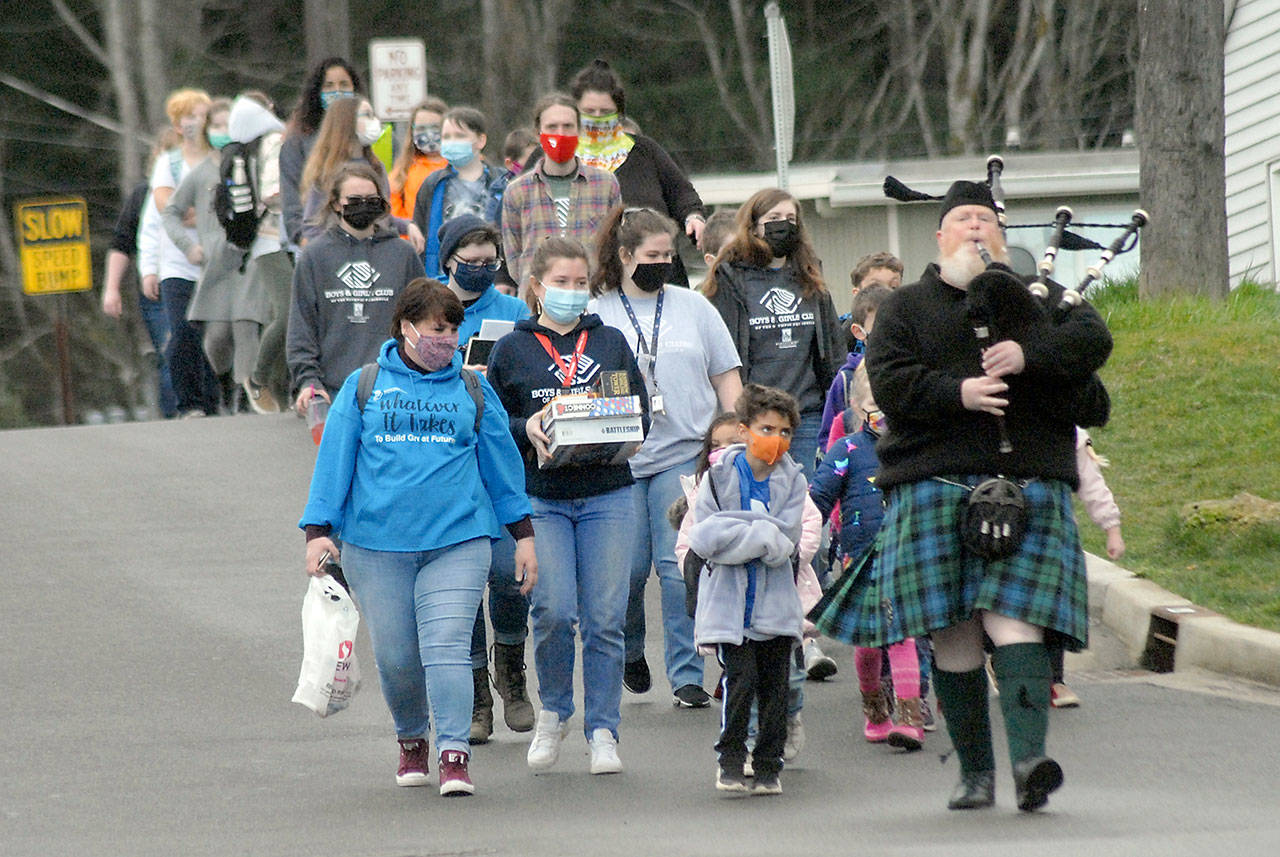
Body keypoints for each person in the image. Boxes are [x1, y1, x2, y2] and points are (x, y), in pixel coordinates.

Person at [844, 178, 1112, 812]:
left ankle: (1027, 763)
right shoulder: (907, 307)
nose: (975, 226)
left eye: (986, 218)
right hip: (935, 485)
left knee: (1016, 622)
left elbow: (1093, 363)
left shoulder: (1044, 303)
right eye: (962, 218)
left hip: (1028, 485)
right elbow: (889, 380)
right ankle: (975, 776)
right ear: (938, 235)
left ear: (1002, 233)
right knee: (955, 633)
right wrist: (956, 393)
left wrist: (1032, 353)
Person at [300, 278, 538, 797]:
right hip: (376, 546)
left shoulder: (474, 389)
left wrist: (522, 535)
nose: (448, 340)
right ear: (406, 328)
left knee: (447, 647)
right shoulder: (364, 387)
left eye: (454, 331)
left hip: (458, 541)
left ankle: (455, 753)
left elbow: (502, 467)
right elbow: (333, 463)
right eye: (437, 330)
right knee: (398, 658)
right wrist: (318, 532)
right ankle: (412, 738)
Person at [485, 236, 649, 775]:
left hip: (607, 492)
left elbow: (635, 410)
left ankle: (603, 728)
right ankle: (555, 711)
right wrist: (524, 426)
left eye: (581, 284)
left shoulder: (611, 342)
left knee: (605, 617)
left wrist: (619, 426)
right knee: (554, 611)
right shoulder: (512, 348)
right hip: (542, 498)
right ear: (536, 287)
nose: (572, 293)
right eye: (561, 282)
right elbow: (491, 423)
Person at [586, 206, 742, 707]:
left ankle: (686, 671)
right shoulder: (598, 309)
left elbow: (725, 373)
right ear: (626, 255)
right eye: (653, 255)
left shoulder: (693, 307)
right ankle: (631, 647)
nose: (664, 263)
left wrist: (734, 428)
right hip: (618, 457)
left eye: (670, 255)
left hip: (682, 451)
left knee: (678, 567)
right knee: (627, 570)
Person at [429, 214, 534, 743]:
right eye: (468, 262)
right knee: (462, 582)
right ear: (447, 260)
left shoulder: (514, 311)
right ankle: (475, 694)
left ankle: (511, 668)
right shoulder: (428, 308)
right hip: (447, 462)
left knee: (510, 572)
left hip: (502, 451)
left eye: (488, 261)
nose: (479, 270)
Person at [688, 384, 807, 796]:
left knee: (776, 688)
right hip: (729, 606)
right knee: (740, 684)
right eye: (767, 428)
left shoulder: (793, 480)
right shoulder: (718, 477)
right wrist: (760, 533)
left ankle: (769, 764)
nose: (777, 440)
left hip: (776, 606)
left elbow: (785, 542)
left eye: (786, 432)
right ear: (744, 430)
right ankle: (731, 761)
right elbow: (704, 536)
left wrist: (737, 533)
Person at [809, 364, 927, 751]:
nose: (885, 413)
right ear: (858, 407)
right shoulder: (847, 450)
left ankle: (911, 717)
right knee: (868, 644)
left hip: (905, 555)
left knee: (901, 632)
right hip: (858, 560)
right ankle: (876, 709)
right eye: (876, 404)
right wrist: (803, 540)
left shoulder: (916, 448)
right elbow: (820, 498)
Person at [702, 189, 843, 480]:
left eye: (791, 218)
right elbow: (722, 355)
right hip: (756, 418)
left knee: (804, 508)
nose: (784, 224)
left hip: (806, 416)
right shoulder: (730, 277)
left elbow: (833, 348)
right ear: (752, 225)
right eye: (774, 217)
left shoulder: (809, 275)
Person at [287, 163, 427, 416]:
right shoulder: (314, 256)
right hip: (334, 393)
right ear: (336, 204)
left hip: (397, 389)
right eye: (354, 199)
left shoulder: (403, 254)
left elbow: (423, 321)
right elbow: (302, 326)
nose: (363, 204)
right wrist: (309, 382)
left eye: (371, 199)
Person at [163, 97, 267, 413]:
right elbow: (171, 212)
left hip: (249, 260)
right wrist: (189, 245)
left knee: (246, 325)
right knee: (218, 337)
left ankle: (246, 392)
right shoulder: (201, 172)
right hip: (216, 264)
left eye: (229, 125)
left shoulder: (254, 165)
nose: (223, 131)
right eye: (217, 126)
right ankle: (225, 382)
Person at [570, 59, 707, 287]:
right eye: (589, 112)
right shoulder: (556, 157)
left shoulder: (644, 151)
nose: (597, 117)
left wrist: (694, 217)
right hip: (588, 278)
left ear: (619, 113)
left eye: (605, 111)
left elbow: (682, 194)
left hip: (657, 273)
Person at [501, 93, 621, 287]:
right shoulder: (517, 191)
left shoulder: (606, 184)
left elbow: (614, 247)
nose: (560, 133)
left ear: (579, 130)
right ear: (538, 132)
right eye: (552, 127)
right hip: (537, 302)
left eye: (568, 126)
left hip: (591, 298)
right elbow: (514, 257)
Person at [151, 88, 220, 417]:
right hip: (179, 261)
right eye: (190, 116)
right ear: (178, 125)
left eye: (202, 115)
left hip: (216, 259)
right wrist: (194, 212)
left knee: (216, 333)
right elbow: (167, 204)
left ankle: (214, 398)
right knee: (183, 331)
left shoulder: (220, 158)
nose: (198, 122)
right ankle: (189, 402)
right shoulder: (170, 162)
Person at [102, 129, 180, 419]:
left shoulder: (202, 186)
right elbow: (122, 243)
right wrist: (111, 288)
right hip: (157, 287)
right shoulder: (143, 195)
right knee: (170, 350)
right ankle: (176, 417)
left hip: (198, 281)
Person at [1052, 427, 1125, 707]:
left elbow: (1091, 481)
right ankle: (1002, 663)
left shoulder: (1070, 431)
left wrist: (1111, 527)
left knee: (1055, 604)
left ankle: (1054, 679)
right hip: (999, 523)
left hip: (1054, 528)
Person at [228, 93, 292, 414]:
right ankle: (258, 378)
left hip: (263, 240)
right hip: (274, 238)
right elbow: (273, 192)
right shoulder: (273, 142)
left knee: (279, 315)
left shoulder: (243, 146)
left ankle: (282, 389)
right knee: (290, 311)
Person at [298, 97, 423, 250]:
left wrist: (407, 226)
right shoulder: (326, 171)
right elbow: (312, 226)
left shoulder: (376, 167)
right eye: (367, 115)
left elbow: (380, 217)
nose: (375, 122)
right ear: (347, 121)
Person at [411, 106, 504, 280]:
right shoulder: (433, 184)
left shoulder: (501, 182)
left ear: (480, 140)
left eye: (460, 136)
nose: (452, 142)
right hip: (443, 277)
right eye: (446, 137)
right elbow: (420, 226)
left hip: (491, 274)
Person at [281, 57, 363, 250]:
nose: (337, 91)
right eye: (329, 86)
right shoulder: (297, 143)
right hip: (318, 241)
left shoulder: (371, 138)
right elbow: (291, 197)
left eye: (344, 84)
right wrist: (301, 238)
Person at [389, 97, 448, 220]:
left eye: (435, 127)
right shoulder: (401, 173)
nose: (429, 133)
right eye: (421, 128)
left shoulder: (464, 164)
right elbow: (395, 219)